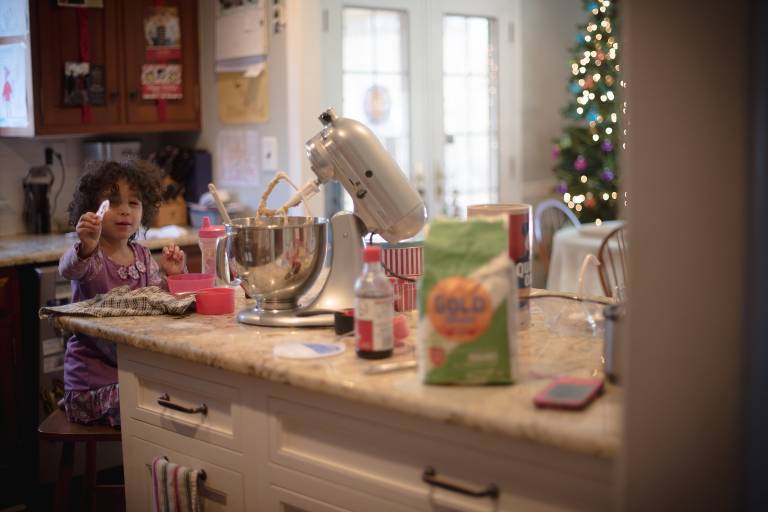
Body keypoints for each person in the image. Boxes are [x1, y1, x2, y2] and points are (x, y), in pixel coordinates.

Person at [59, 160, 186, 426]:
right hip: (93, 382)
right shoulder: (90, 256)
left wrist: (171, 276)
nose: (125, 211)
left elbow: (153, 301)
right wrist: (85, 245)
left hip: (131, 368)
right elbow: (68, 268)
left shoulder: (141, 254)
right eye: (113, 203)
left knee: (172, 395)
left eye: (134, 203)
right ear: (91, 210)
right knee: (156, 403)